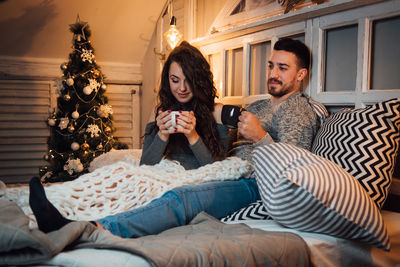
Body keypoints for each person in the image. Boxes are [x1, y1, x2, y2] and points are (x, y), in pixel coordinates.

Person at [29, 38, 327, 237]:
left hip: (253, 183)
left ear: (301, 75)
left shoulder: (299, 110)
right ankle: (56, 204)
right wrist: (161, 130)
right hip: (229, 173)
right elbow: (159, 157)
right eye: (271, 65)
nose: (273, 73)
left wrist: (260, 137)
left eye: (282, 68)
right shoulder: (258, 105)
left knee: (179, 197)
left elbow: (293, 171)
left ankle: (91, 230)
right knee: (123, 175)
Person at [140, 40, 229, 170]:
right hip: (166, 179)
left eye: (189, 81)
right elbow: (144, 166)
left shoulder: (217, 112)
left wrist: (192, 136)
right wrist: (162, 135)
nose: (182, 88)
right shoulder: (159, 112)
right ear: (167, 80)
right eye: (175, 80)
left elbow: (218, 170)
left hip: (197, 185)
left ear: (199, 81)